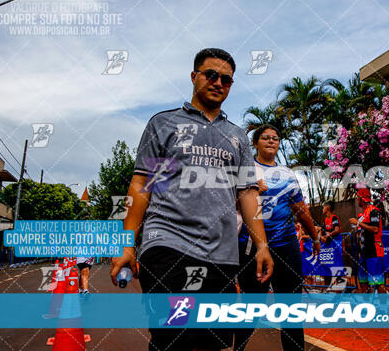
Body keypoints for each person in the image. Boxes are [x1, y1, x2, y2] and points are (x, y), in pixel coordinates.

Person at [110, 48, 274, 351]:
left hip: (221, 254)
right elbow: (143, 185)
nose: (218, 82)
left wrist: (262, 244)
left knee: (211, 344)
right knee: (174, 338)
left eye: (226, 79)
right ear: (193, 76)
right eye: (210, 75)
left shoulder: (237, 137)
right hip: (168, 243)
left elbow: (248, 194)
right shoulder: (166, 125)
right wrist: (127, 242)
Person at [235, 124, 320, 351]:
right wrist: (252, 191)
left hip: (287, 247)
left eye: (275, 138)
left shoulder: (287, 174)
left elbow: (300, 210)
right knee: (254, 308)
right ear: (256, 143)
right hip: (252, 248)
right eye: (265, 138)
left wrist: (314, 237)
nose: (271, 141)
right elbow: (229, 205)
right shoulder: (246, 170)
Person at [355, 188, 388, 295]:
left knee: (378, 282)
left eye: (358, 198)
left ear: (361, 199)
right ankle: (367, 305)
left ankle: (383, 307)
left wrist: (358, 223)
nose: (357, 200)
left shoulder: (373, 211)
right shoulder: (364, 213)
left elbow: (375, 229)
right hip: (365, 252)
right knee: (363, 280)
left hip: (374, 251)